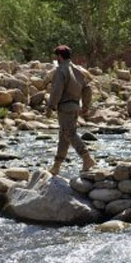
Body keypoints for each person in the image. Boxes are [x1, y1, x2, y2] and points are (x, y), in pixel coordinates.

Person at [45, 45, 96, 175]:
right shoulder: (79, 70)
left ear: (59, 57)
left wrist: (50, 106)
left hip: (65, 107)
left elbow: (57, 90)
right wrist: (85, 105)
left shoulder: (61, 70)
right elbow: (87, 89)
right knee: (64, 136)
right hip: (74, 107)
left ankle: (87, 157)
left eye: (56, 57)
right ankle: (57, 166)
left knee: (70, 134)